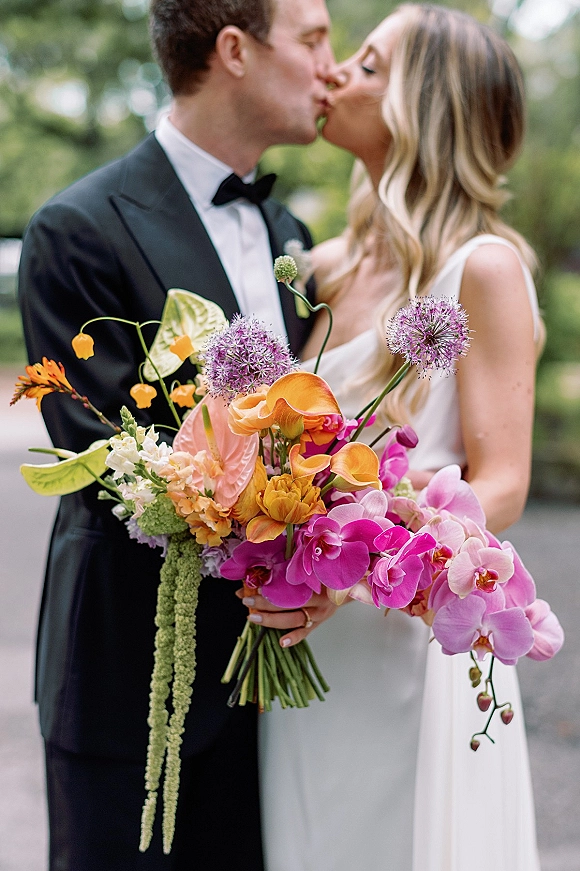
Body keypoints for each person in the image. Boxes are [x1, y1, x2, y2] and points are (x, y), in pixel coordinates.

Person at [17, 1, 334, 868]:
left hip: (268, 688)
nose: (331, 69)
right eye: (313, 40)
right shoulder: (77, 228)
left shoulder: (290, 238)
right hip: (129, 681)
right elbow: (107, 459)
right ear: (235, 50)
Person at [249, 6, 544, 870]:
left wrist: (365, 561)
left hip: (407, 642)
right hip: (309, 638)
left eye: (370, 66)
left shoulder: (481, 268)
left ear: (426, 107)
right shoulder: (322, 267)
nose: (337, 72)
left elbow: (505, 484)